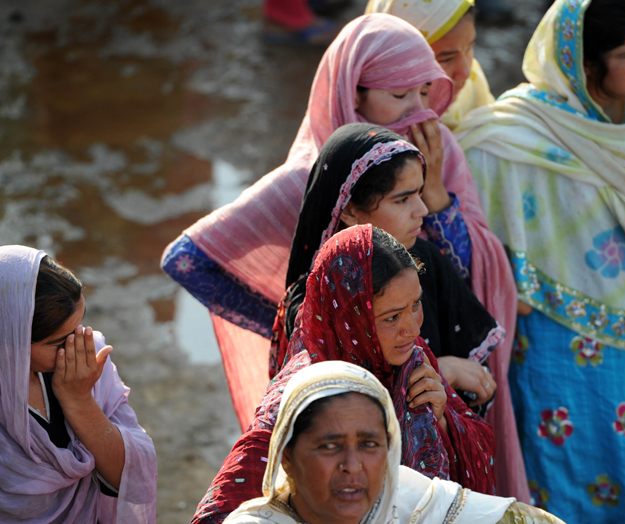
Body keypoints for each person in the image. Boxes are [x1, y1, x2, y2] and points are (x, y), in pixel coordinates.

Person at [161, 16, 517, 470]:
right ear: (354, 91)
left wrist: (440, 197)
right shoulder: (320, 178)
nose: (418, 109)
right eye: (398, 94)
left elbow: (471, 270)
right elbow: (191, 261)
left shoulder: (434, 154)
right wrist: (302, 308)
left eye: (425, 92)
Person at [457, 0, 625, 521]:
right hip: (560, 346)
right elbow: (469, 237)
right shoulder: (509, 141)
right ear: (584, 69)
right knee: (572, 478)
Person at [193, 225, 496, 524]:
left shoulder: (413, 361)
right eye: (392, 317)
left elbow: (474, 466)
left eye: (415, 305)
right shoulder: (302, 396)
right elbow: (222, 510)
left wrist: (442, 419)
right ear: (351, 319)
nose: (413, 328)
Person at [0, 246, 157, 523]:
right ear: (5, 346)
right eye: (58, 342)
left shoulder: (86, 368)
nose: (79, 344)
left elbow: (133, 476)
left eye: (80, 326)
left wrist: (80, 402)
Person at [271, 122, 504, 416]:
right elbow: (339, 411)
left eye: (420, 194)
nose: (421, 210)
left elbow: (477, 384)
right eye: (403, 199)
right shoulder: (317, 301)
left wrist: (449, 385)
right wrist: (440, 371)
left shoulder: (425, 261)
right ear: (349, 211)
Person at [225, 360, 565, 524]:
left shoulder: (415, 504)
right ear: (286, 457)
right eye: (329, 446)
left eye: (370, 444)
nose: (353, 466)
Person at [364, 0, 496, 131]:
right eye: (446, 60)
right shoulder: (371, 139)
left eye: (469, 48)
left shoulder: (474, 91)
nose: (465, 72)